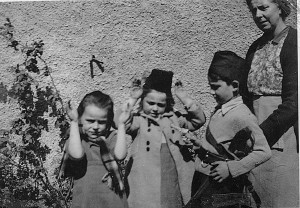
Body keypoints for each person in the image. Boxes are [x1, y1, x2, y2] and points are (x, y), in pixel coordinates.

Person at [187, 51, 272, 208]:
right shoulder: (220, 109)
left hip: (224, 186)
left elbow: (264, 151)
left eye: (216, 87)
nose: (211, 92)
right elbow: (222, 145)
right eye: (210, 87)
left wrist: (231, 168)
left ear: (234, 86)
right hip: (204, 180)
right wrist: (201, 146)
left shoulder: (242, 115)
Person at [114, 69, 206, 208]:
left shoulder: (174, 118)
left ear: (167, 104)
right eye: (150, 103)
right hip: (145, 178)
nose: (155, 109)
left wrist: (184, 97)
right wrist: (132, 98)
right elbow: (118, 121)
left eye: (160, 105)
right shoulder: (139, 120)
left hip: (170, 175)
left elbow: (198, 121)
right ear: (142, 101)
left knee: (170, 201)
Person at [242, 0, 298, 207]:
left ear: (281, 7)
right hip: (255, 138)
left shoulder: (294, 42)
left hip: (282, 136)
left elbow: (295, 102)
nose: (257, 14)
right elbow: (245, 98)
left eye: (263, 8)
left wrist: (261, 134)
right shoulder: (255, 48)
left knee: (280, 198)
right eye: (253, 10)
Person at [61, 91, 128, 208]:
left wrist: (121, 125)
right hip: (86, 200)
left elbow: (120, 155)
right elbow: (76, 155)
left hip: (112, 199)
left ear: (108, 122)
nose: (96, 127)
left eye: (101, 122)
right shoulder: (77, 140)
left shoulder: (110, 138)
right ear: (81, 118)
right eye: (90, 121)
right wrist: (73, 122)